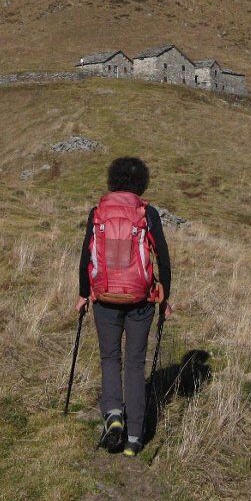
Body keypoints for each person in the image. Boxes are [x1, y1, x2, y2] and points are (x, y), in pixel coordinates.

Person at [76, 156, 173, 456]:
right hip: (140, 299)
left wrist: (83, 293)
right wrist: (165, 296)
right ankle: (134, 437)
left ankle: (113, 414)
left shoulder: (98, 212)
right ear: (141, 182)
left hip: (104, 297)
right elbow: (164, 258)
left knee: (109, 358)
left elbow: (85, 256)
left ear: (112, 180)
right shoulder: (147, 213)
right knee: (134, 363)